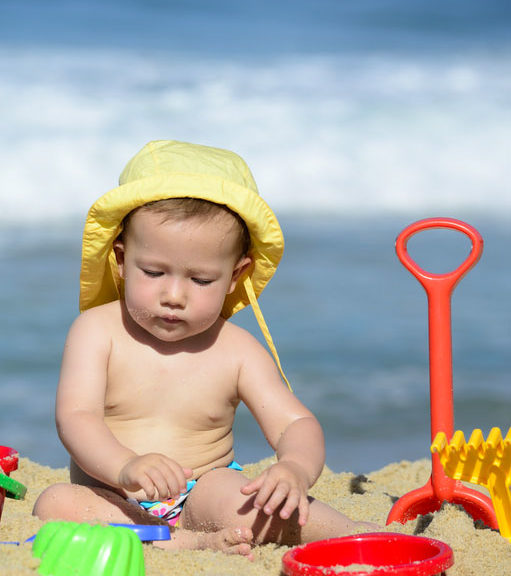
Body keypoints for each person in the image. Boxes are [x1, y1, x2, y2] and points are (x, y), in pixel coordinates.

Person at [32, 140, 374, 557]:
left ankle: (356, 533)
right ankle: (184, 544)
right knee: (55, 503)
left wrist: (294, 469)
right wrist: (125, 465)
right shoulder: (97, 331)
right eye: (154, 272)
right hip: (114, 494)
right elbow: (76, 417)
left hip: (204, 493)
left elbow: (293, 423)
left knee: (258, 502)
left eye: (201, 280)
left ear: (236, 275)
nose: (173, 295)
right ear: (121, 260)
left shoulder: (236, 349)